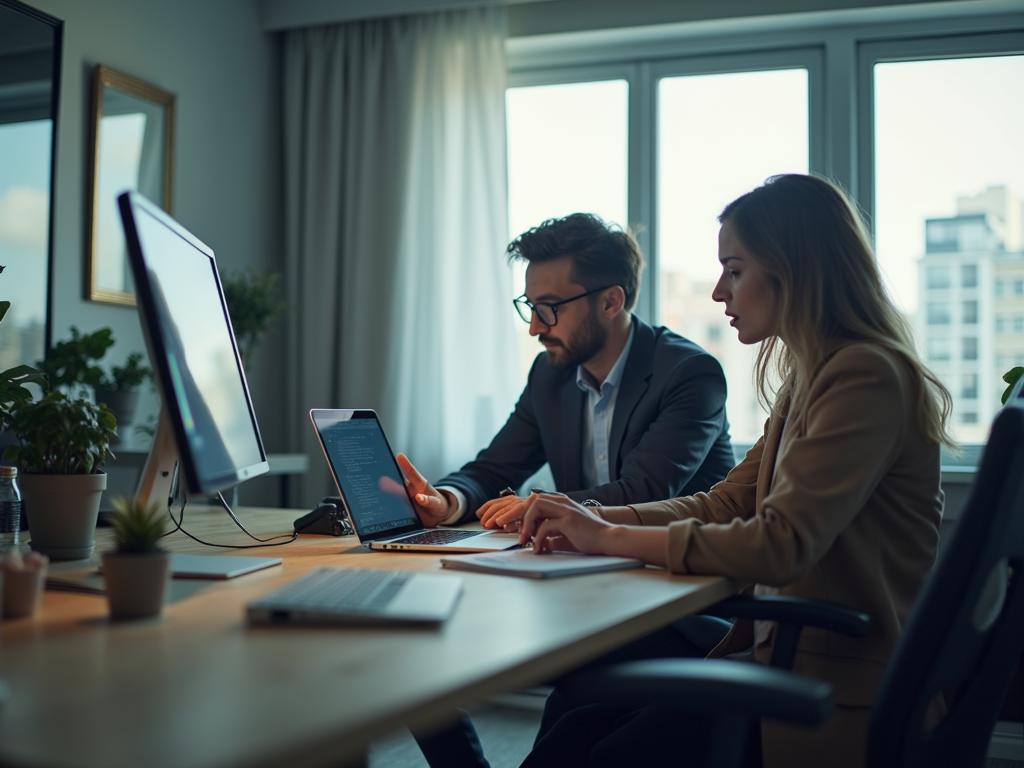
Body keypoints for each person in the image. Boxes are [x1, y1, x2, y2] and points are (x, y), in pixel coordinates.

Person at [514, 174, 954, 768]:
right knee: (573, 718)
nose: (720, 290)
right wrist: (591, 516)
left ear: (795, 270)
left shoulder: (864, 375)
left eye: (736, 269)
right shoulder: (813, 378)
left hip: (839, 687)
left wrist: (609, 536)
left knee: (594, 746)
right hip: (788, 657)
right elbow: (724, 504)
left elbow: (781, 543)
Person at [398, 212, 736, 768]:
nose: (535, 326)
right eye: (529, 307)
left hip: (676, 607)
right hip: (585, 588)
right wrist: (447, 500)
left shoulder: (689, 374)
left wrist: (541, 506)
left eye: (550, 308)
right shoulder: (549, 374)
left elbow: (645, 490)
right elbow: (493, 467)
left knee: (549, 690)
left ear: (611, 301)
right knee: (417, 635)